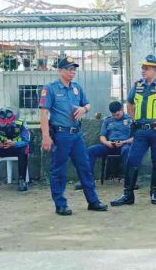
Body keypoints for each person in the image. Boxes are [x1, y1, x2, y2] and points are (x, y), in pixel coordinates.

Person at [39, 57, 108, 216]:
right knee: (59, 171)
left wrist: (84, 109)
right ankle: (60, 204)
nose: (72, 72)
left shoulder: (77, 88)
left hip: (76, 135)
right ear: (60, 70)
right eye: (69, 69)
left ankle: (93, 201)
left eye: (74, 69)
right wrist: (45, 136)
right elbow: (43, 113)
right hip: (61, 135)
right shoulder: (50, 88)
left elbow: (88, 104)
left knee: (85, 168)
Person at [111, 54, 156, 206]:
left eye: (146, 68)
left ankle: (155, 193)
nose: (143, 70)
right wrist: (134, 118)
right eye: (142, 68)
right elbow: (129, 103)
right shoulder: (137, 85)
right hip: (140, 131)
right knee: (132, 160)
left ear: (154, 69)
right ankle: (128, 195)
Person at [81, 100, 133, 187]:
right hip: (110, 146)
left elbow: (135, 138)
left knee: (127, 151)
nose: (116, 117)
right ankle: (87, 181)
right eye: (113, 115)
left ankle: (130, 182)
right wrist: (107, 142)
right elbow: (102, 136)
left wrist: (124, 142)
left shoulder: (130, 120)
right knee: (91, 150)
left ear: (122, 110)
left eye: (118, 114)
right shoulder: (107, 121)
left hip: (124, 145)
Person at [0, 108, 31, 193]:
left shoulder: (21, 123)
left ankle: (22, 181)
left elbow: (26, 141)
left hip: (16, 147)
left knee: (24, 150)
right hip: (3, 148)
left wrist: (14, 143)